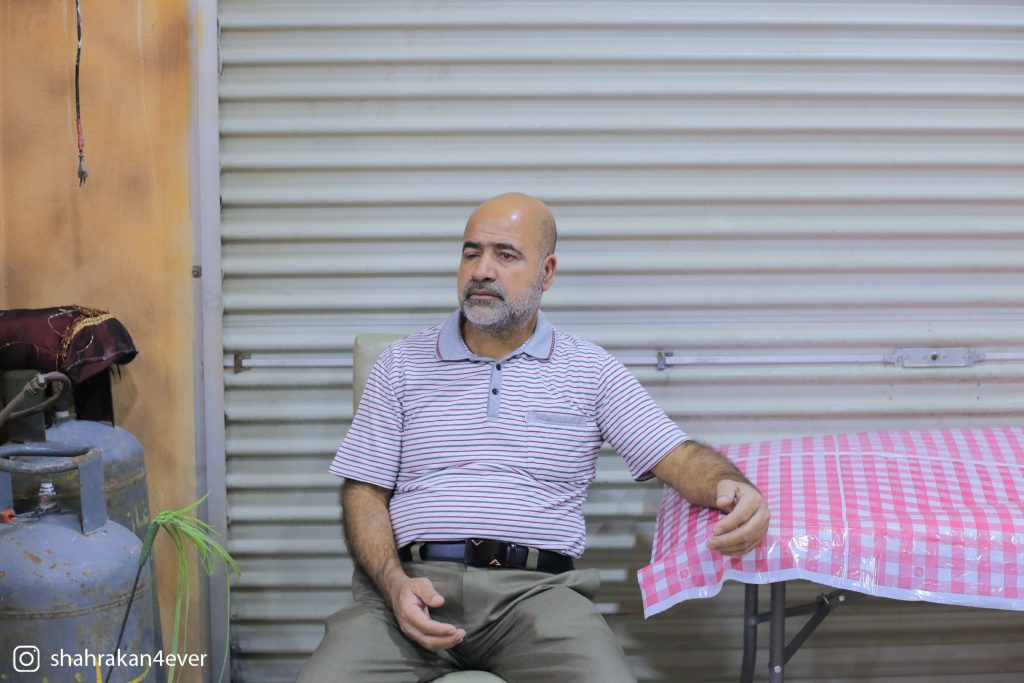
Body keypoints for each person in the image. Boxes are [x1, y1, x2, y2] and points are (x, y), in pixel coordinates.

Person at [298, 193, 770, 683]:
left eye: (505, 255)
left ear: (547, 272)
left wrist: (732, 486)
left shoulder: (590, 370)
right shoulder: (400, 364)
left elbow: (680, 457)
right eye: (471, 253)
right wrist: (394, 585)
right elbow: (364, 492)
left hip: (538, 597)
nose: (482, 270)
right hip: (413, 588)